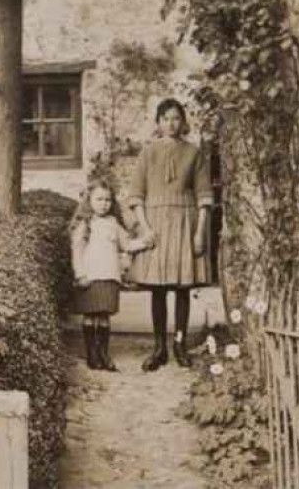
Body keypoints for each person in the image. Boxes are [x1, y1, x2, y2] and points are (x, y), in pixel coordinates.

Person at [126, 98, 213, 371]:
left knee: (182, 287)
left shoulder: (194, 153)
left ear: (183, 122)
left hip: (184, 224)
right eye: (165, 119)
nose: (171, 124)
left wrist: (200, 233)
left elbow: (204, 197)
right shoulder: (147, 153)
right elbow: (136, 195)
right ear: (158, 123)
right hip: (156, 227)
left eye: (176, 118)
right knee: (158, 289)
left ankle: (180, 344)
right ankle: (159, 347)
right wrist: (145, 228)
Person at [70, 179, 149, 371]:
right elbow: (77, 250)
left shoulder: (114, 223)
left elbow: (127, 244)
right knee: (90, 316)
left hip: (109, 276)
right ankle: (92, 355)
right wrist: (80, 274)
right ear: (89, 201)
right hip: (90, 276)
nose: (104, 204)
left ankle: (104, 354)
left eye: (107, 200)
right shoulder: (85, 223)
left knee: (104, 316)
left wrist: (145, 242)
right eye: (99, 199)